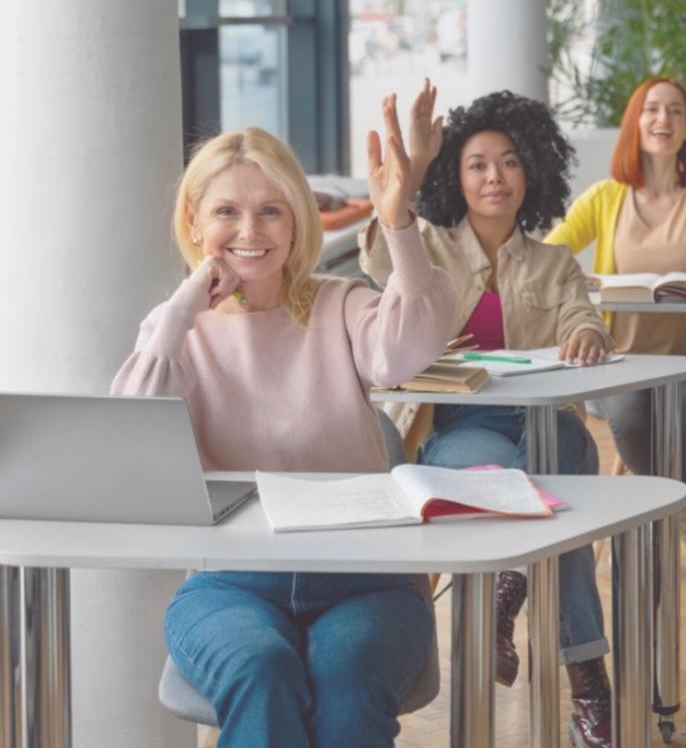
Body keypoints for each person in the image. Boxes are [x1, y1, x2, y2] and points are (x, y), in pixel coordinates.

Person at [113, 106, 456, 747]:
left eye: (271, 209)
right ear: (194, 222)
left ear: (297, 221)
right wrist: (182, 308)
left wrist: (398, 220)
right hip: (229, 584)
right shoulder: (176, 335)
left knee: (348, 674)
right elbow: (132, 432)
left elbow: (410, 348)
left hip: (365, 581)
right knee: (259, 667)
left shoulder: (341, 303)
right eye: (226, 212)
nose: (250, 230)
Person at [359, 83, 616, 748]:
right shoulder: (427, 248)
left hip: (547, 427)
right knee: (557, 520)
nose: (494, 176)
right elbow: (378, 255)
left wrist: (588, 332)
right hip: (462, 433)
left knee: (551, 466)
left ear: (531, 169)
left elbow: (581, 312)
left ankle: (510, 586)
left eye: (508, 161)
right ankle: (588, 680)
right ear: (456, 175)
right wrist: (405, 176)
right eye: (476, 163)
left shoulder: (556, 261)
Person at [546, 43, 686, 569]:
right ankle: (679, 507)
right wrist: (580, 274)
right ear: (634, 124)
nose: (662, 118)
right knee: (630, 410)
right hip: (621, 363)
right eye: (651, 109)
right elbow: (549, 253)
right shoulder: (605, 198)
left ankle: (658, 509)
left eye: (675, 110)